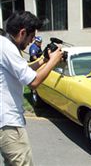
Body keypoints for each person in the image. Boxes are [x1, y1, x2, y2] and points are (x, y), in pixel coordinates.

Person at [0, 11, 63, 166]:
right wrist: (54, 61)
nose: (31, 42)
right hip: (8, 122)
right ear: (22, 32)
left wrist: (44, 61)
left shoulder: (4, 45)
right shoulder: (7, 48)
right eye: (31, 37)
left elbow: (23, 71)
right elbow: (33, 82)